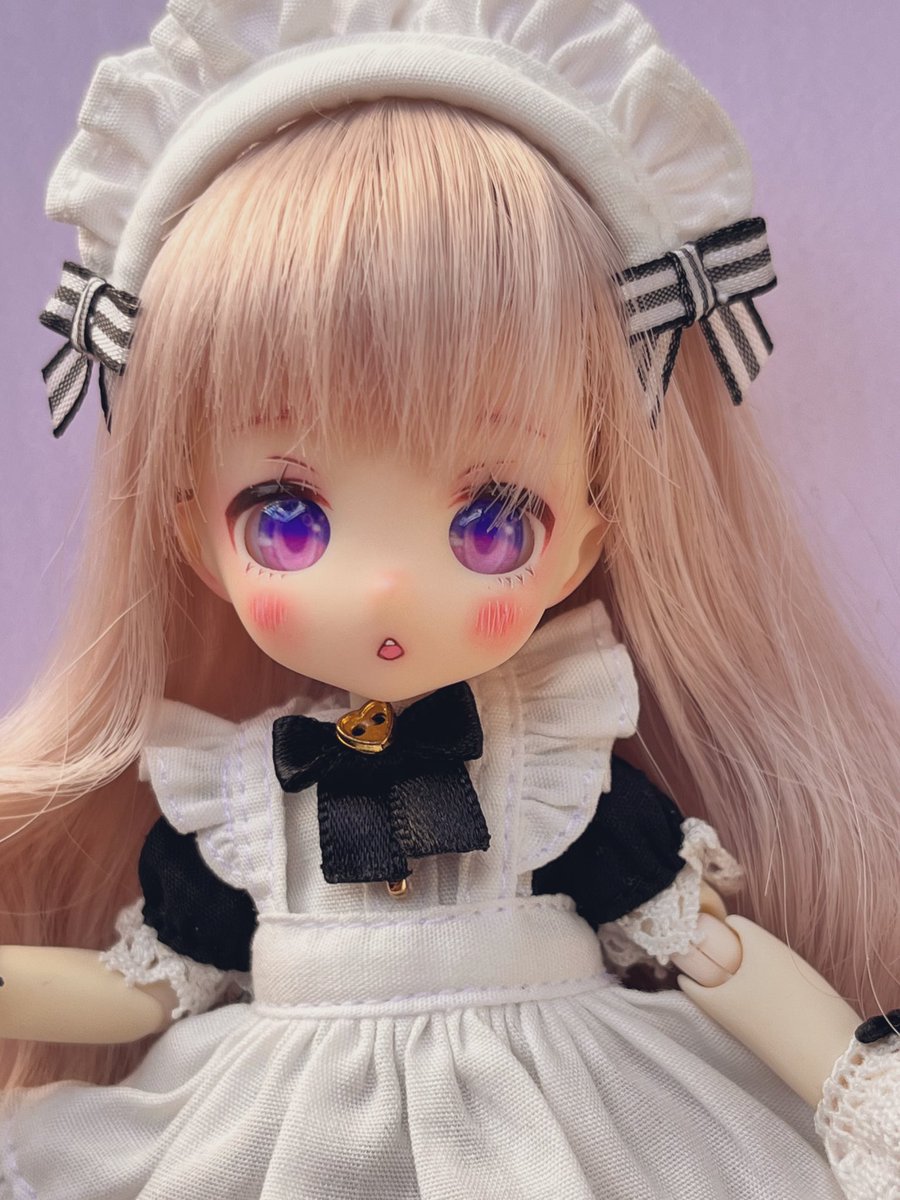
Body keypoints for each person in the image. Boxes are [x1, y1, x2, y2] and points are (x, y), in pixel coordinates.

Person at [0, 2, 897, 1197]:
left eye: (491, 522)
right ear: (191, 539)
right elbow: (139, 991)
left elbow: (711, 952)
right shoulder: (236, 801)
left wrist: (857, 1081)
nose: (385, 585)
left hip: (559, 1125)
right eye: (286, 518)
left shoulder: (554, 773)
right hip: (274, 1137)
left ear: (587, 539)